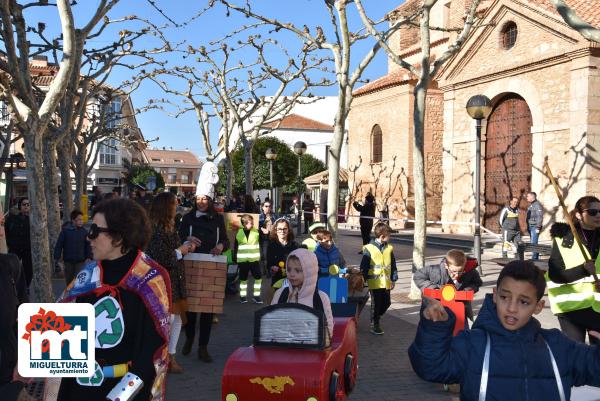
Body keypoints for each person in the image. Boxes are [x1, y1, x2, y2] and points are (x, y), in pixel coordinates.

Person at [409, 260, 600, 400]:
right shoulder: (473, 343)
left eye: (524, 301)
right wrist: (434, 330)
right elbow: (430, 368)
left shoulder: (557, 346)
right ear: (495, 296)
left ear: (538, 307)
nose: (511, 308)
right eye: (505, 297)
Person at [58, 198, 171, 401]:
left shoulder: (150, 279)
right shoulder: (89, 275)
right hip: (80, 390)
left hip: (125, 392)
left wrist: (118, 397)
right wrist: (31, 360)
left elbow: (150, 356)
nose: (88, 238)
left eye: (94, 231)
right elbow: (60, 325)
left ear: (118, 237)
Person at [146, 192, 196, 374]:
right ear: (166, 208)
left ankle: (170, 356)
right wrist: (181, 250)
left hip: (174, 280)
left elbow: (171, 252)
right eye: (174, 204)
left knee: (175, 321)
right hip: (163, 283)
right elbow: (160, 258)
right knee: (169, 320)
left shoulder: (169, 227)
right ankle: (161, 356)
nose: (177, 206)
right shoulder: (156, 231)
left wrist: (185, 244)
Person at [178, 192, 229, 363]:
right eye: (198, 199)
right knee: (190, 310)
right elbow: (178, 236)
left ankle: (203, 348)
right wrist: (187, 238)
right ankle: (189, 338)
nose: (201, 202)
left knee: (208, 310)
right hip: (191, 265)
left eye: (204, 199)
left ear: (210, 200)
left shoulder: (217, 219)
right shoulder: (187, 218)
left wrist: (220, 246)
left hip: (210, 265)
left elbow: (225, 239)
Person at [548, 195, 600, 344]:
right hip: (571, 310)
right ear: (578, 214)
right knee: (575, 357)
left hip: (597, 309)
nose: (598, 215)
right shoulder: (563, 238)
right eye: (592, 212)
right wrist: (583, 270)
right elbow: (555, 275)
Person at [0, 208, 31, 401]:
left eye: (1, 224)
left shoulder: (10, 264)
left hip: (8, 373)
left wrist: (23, 360)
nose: (1, 232)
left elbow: (23, 315)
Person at [272, 248, 334, 340]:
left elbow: (328, 326)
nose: (292, 274)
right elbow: (271, 322)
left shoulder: (320, 298)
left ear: (309, 272)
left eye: (298, 270)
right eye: (289, 270)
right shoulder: (280, 294)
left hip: (311, 349)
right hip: (283, 347)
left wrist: (323, 343)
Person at [413, 249, 482, 322]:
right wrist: (433, 288)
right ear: (446, 265)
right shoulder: (434, 270)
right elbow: (418, 276)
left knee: (461, 332)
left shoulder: (471, 272)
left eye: (460, 271)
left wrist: (468, 289)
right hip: (437, 311)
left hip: (460, 313)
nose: (456, 275)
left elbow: (477, 283)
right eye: (453, 271)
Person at [360, 222, 397, 335]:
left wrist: (393, 279)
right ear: (382, 236)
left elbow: (393, 265)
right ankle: (375, 324)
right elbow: (364, 266)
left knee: (387, 303)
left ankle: (376, 317)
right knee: (376, 304)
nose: (390, 237)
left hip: (385, 282)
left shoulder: (389, 248)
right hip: (374, 282)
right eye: (389, 235)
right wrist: (362, 280)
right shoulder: (369, 248)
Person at [54, 209, 92, 285]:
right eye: (79, 220)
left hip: (80, 261)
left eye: (82, 220)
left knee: (78, 282)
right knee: (69, 282)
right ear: (73, 220)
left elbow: (88, 245)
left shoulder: (84, 232)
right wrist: (57, 257)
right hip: (68, 261)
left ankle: (77, 297)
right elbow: (59, 245)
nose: (81, 221)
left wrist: (89, 257)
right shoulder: (65, 231)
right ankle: (69, 296)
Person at [267, 218, 299, 300]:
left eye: (285, 229)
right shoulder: (271, 246)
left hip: (292, 280)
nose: (282, 231)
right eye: (279, 229)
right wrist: (272, 268)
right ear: (275, 230)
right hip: (277, 281)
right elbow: (269, 264)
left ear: (288, 230)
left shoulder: (294, 246)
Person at [233, 214, 263, 304]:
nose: (252, 224)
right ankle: (242, 297)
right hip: (243, 261)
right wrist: (235, 256)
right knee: (243, 279)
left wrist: (266, 233)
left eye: (252, 223)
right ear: (244, 224)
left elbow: (262, 242)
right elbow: (236, 246)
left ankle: (256, 296)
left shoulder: (257, 232)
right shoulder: (239, 233)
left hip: (254, 260)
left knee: (258, 278)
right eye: (250, 223)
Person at [5, 197, 32, 288]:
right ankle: (12, 287)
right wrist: (9, 244)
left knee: (28, 270)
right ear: (20, 206)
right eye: (24, 204)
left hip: (28, 249)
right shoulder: (11, 219)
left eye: (28, 204)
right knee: (12, 268)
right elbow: (6, 231)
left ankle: (25, 287)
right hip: (14, 248)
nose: (26, 206)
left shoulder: (33, 220)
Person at [259, 201, 276, 275]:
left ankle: (268, 270)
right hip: (262, 239)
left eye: (269, 206)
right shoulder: (260, 217)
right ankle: (264, 271)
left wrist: (269, 231)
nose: (268, 208)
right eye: (266, 206)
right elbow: (255, 226)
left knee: (268, 255)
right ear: (262, 207)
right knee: (262, 256)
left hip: (271, 238)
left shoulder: (274, 216)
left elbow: (277, 226)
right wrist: (261, 229)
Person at [526, 191, 543, 260]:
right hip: (531, 226)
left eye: (528, 196)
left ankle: (534, 258)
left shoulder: (537, 205)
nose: (527, 198)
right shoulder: (531, 205)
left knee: (534, 243)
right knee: (533, 242)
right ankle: (535, 257)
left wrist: (538, 227)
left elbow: (540, 216)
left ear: (532, 197)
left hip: (535, 227)